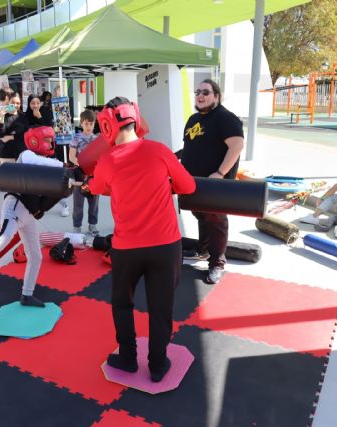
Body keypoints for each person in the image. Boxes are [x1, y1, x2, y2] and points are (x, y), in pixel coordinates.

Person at [88, 96, 196, 383]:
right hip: (166, 246)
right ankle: (158, 365)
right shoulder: (160, 151)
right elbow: (189, 185)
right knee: (161, 308)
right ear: (136, 118)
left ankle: (128, 358)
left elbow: (97, 187)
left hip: (127, 249)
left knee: (122, 303)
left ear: (108, 125)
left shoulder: (107, 160)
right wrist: (161, 183)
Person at [0, 126, 66, 308]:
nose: (51, 143)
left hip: (29, 214)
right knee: (5, 235)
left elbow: (54, 192)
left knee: (36, 256)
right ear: (35, 141)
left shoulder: (48, 164)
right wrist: (66, 167)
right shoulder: (27, 156)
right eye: (47, 140)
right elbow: (50, 165)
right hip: (16, 205)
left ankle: (27, 295)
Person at [180, 79, 245, 285]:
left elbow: (237, 146)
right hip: (193, 182)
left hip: (215, 184)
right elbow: (191, 148)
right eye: (197, 91)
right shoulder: (193, 119)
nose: (200, 95)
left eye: (206, 92)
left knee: (216, 221)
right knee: (201, 215)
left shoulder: (225, 118)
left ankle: (217, 263)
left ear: (217, 96)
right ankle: (203, 251)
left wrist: (220, 172)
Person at [68, 109, 99, 235]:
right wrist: (84, 165)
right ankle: (77, 226)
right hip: (79, 174)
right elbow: (71, 157)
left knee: (94, 202)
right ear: (81, 123)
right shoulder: (76, 137)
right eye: (86, 123)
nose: (89, 126)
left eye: (91, 124)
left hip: (93, 175)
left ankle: (93, 225)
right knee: (78, 202)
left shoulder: (97, 139)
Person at [0, 94, 23, 163]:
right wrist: (1, 116)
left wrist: (11, 137)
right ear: (8, 103)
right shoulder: (3, 116)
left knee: (20, 174)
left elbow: (24, 134)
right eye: (13, 103)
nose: (15, 105)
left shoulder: (23, 117)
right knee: (6, 174)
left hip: (21, 152)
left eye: (18, 103)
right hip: (6, 153)